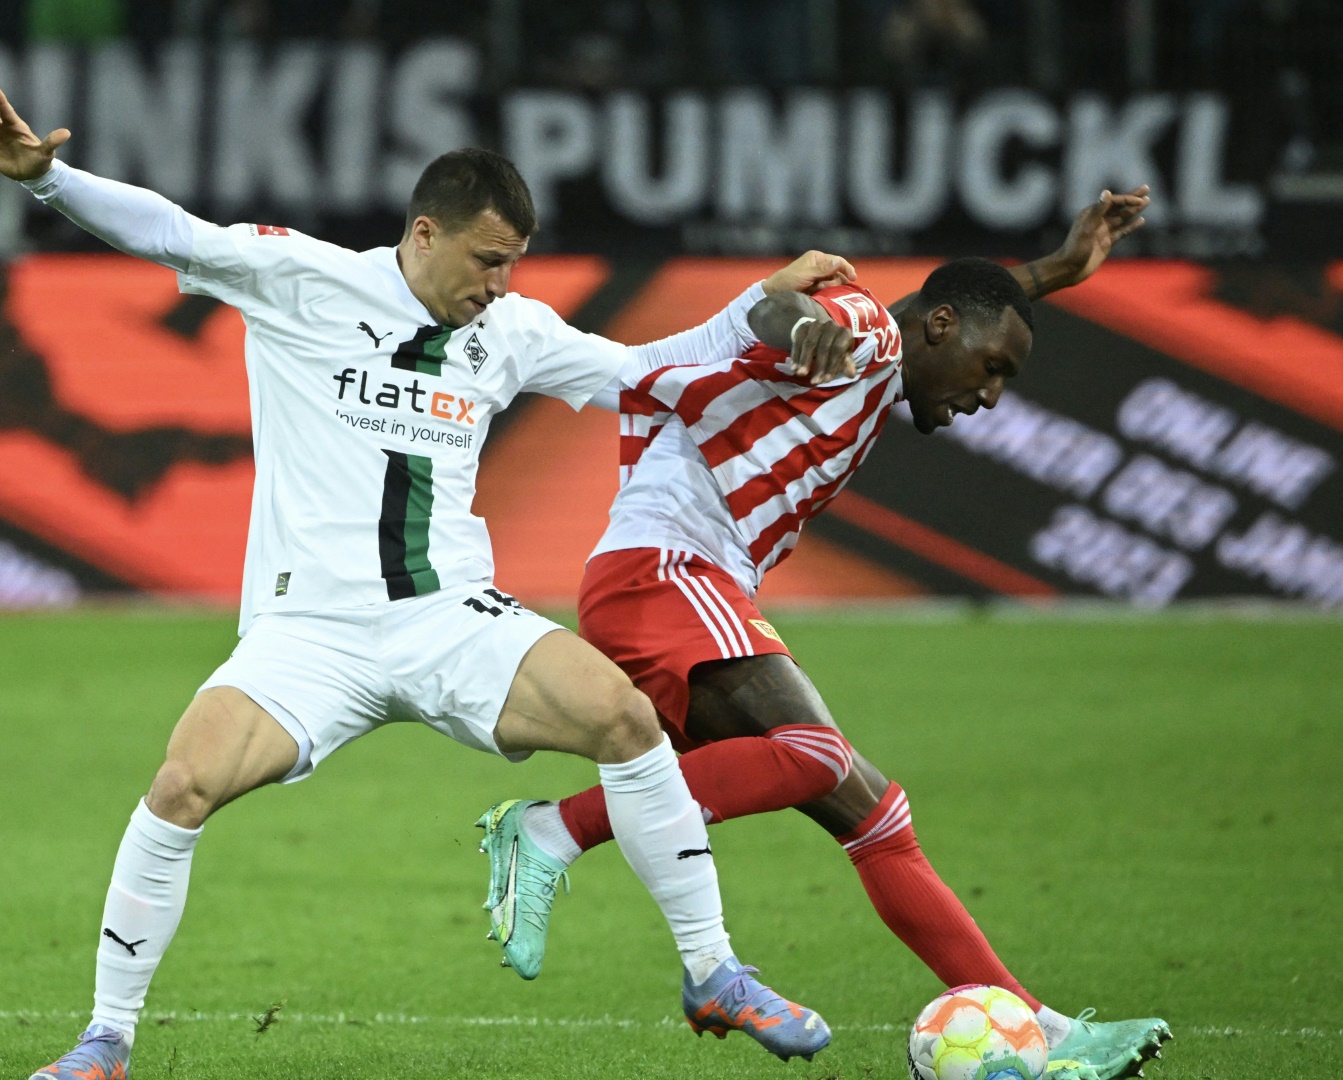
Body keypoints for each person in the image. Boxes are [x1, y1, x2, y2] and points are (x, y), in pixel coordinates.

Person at [0, 86, 847, 1079]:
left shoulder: (509, 332)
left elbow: (647, 371)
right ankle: (106, 1041)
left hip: (447, 618)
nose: (500, 283)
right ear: (425, 235)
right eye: (486, 259)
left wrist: (763, 311)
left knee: (623, 719)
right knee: (180, 784)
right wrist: (48, 182)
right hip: (308, 634)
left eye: (513, 264)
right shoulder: (302, 278)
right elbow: (171, 233)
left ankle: (710, 969)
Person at [476, 190, 1174, 1079]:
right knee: (812, 750)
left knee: (877, 815)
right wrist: (797, 320)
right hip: (668, 569)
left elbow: (979, 293)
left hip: (689, 582)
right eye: (989, 367)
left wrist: (1059, 270)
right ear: (938, 328)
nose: (988, 395)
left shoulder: (910, 343)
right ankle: (548, 832)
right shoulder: (866, 334)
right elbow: (786, 310)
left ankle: (1045, 1033)